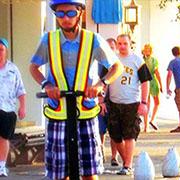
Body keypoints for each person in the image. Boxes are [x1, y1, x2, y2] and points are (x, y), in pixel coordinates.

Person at [29, 0, 123, 179]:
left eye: (70, 13)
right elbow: (33, 67)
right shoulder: (48, 39)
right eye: (60, 14)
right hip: (58, 111)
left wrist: (100, 85)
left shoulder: (93, 39)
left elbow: (116, 67)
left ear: (80, 13)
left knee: (90, 171)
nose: (65, 18)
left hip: (85, 110)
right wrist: (46, 85)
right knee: (59, 172)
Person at [108, 34, 152, 175]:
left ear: (130, 44)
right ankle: (126, 160)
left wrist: (144, 102)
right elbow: (105, 80)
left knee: (129, 135)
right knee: (115, 135)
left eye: (124, 44)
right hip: (114, 102)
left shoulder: (137, 61)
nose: (121, 46)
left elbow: (146, 82)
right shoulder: (112, 60)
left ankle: (127, 165)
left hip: (131, 102)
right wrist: (101, 100)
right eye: (119, 43)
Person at [0, 38, 26, 177]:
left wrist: (23, 107)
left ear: (6, 51)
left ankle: (2, 166)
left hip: (8, 109)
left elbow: (21, 90)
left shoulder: (13, 69)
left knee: (4, 138)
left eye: (1, 50)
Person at [98, 37, 120, 166]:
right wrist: (101, 101)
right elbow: (100, 83)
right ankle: (100, 153)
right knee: (100, 130)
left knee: (114, 131)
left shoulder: (118, 64)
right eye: (107, 47)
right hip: (103, 102)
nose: (109, 50)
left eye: (112, 47)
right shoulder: (100, 64)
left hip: (116, 102)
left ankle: (114, 156)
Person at [142, 43, 163, 132]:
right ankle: (152, 119)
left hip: (144, 81)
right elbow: (157, 73)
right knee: (157, 103)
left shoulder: (141, 60)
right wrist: (161, 85)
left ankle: (146, 127)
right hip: (153, 82)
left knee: (146, 104)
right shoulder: (154, 60)